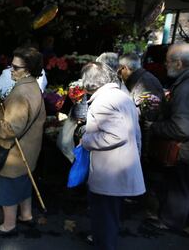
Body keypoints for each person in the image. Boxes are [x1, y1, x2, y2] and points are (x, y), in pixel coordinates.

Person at [0, 47, 46, 234]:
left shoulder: (21, 93)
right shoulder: (33, 86)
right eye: (11, 65)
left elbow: (11, 129)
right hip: (29, 148)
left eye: (16, 67)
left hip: (14, 151)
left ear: (28, 70)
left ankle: (9, 224)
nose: (11, 70)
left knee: (8, 188)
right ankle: (26, 215)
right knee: (24, 182)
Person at [80, 62, 145, 250]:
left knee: (104, 216)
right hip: (122, 166)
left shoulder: (103, 101)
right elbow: (135, 133)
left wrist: (86, 139)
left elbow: (116, 135)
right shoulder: (121, 96)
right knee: (109, 215)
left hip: (110, 172)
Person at [147, 43, 189, 234]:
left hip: (183, 150)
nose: (165, 65)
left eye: (168, 62)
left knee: (178, 185)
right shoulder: (183, 84)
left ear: (179, 63)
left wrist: (154, 127)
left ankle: (171, 221)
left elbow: (181, 127)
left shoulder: (185, 88)